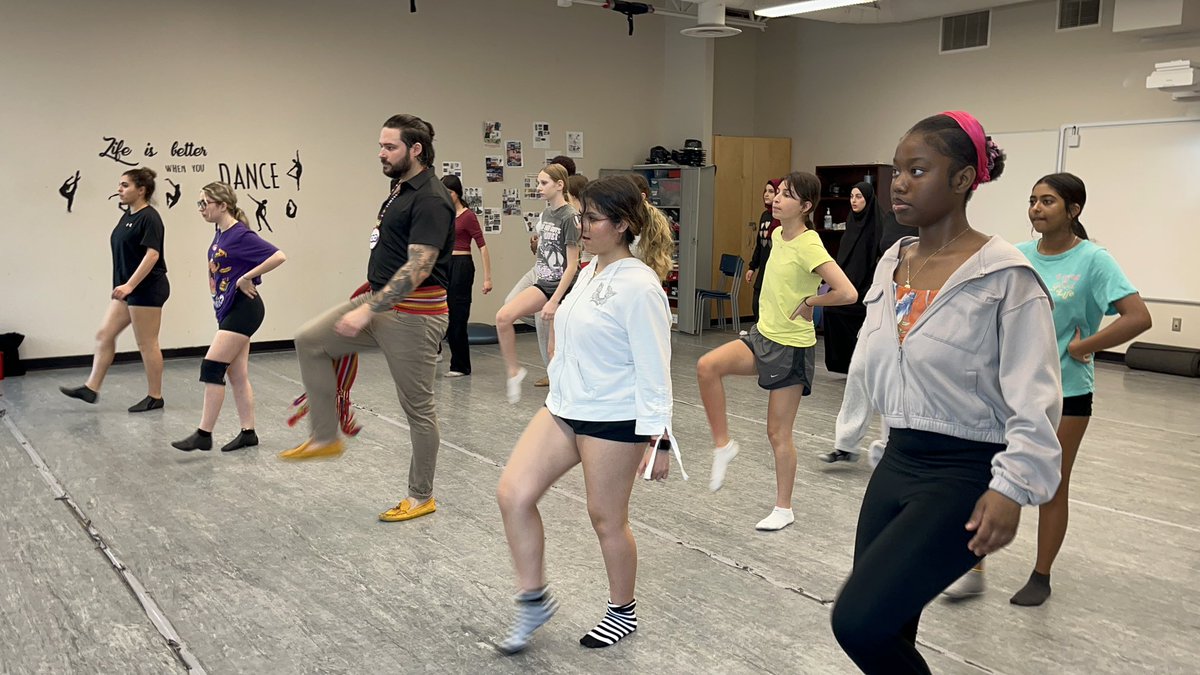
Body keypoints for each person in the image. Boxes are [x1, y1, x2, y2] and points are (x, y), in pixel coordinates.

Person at [827, 111, 1063, 675]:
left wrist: (1012, 488)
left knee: (856, 621)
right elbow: (874, 362)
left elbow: (1037, 399)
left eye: (917, 170)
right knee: (889, 626)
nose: (899, 183)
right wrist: (855, 438)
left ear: (962, 181)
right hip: (897, 461)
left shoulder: (1006, 277)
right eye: (896, 170)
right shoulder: (893, 262)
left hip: (963, 472)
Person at [494, 175, 683, 655]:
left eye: (592, 219)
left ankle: (623, 609)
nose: (582, 226)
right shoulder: (588, 272)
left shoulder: (640, 286)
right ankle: (532, 598)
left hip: (613, 418)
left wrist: (658, 440)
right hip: (565, 407)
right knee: (513, 493)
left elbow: (655, 369)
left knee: (606, 519)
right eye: (581, 216)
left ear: (621, 225)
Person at [943, 173, 1152, 605]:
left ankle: (1041, 574)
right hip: (1007, 392)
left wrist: (1084, 346)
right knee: (987, 477)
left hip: (1068, 393)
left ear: (1073, 210)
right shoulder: (1016, 256)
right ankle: (972, 567)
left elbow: (1137, 317)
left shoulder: (1095, 260)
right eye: (1033, 200)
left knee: (1051, 485)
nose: (1036, 209)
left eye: (1048, 201)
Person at [281, 114, 454, 525]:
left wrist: (367, 310)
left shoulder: (431, 197)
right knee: (310, 340)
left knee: (418, 409)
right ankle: (325, 436)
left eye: (390, 146)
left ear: (416, 149)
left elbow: (420, 266)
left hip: (412, 316)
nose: (381, 153)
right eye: (380, 145)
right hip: (379, 301)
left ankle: (421, 496)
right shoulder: (399, 189)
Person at [697, 171, 858, 531]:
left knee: (777, 434)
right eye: (778, 193)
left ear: (805, 206)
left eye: (787, 195)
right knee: (707, 366)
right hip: (762, 336)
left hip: (791, 348)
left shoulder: (810, 243)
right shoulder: (775, 234)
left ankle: (784, 508)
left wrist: (812, 302)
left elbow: (847, 292)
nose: (777, 199)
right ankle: (723, 446)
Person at [172, 183, 286, 452]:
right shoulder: (220, 233)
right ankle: (249, 432)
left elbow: (279, 255)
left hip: (244, 309)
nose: (201, 209)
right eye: (199, 203)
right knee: (237, 373)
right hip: (229, 309)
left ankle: (203, 433)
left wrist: (246, 277)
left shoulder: (240, 235)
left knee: (212, 367)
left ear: (222, 205)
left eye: (205, 203)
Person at [61, 168, 170, 413]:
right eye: (120, 185)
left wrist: (130, 284)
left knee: (147, 343)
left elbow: (153, 255)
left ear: (141, 190)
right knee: (104, 335)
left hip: (147, 289)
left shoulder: (150, 218)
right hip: (127, 290)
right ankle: (91, 388)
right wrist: (124, 286)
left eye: (125, 185)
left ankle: (155, 396)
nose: (119, 189)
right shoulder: (127, 216)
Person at [495, 163, 579, 403]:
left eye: (544, 183)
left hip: (563, 289)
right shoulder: (546, 214)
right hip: (543, 281)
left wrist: (554, 301)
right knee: (503, 317)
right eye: (538, 182)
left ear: (559, 185)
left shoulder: (570, 217)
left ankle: (560, 399)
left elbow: (572, 265)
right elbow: (545, 249)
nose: (539, 187)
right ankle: (514, 371)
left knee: (553, 350)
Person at [822, 181, 883, 376]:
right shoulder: (851, 221)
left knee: (852, 311)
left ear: (868, 199)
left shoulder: (876, 224)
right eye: (851, 196)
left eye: (859, 197)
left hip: (867, 286)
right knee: (831, 310)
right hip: (848, 282)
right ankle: (843, 363)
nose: (854, 201)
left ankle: (859, 364)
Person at [440, 175, 493, 378]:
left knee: (458, 315)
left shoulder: (468, 216)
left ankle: (460, 365)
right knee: (440, 312)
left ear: (457, 193)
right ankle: (437, 352)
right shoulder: (445, 214)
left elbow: (482, 245)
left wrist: (487, 278)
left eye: (450, 192)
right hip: (445, 265)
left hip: (461, 266)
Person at [745, 179, 783, 322]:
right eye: (765, 191)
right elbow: (760, 244)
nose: (766, 194)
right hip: (763, 269)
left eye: (771, 191)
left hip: (776, 271)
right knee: (756, 306)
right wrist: (752, 267)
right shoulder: (764, 216)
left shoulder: (781, 217)